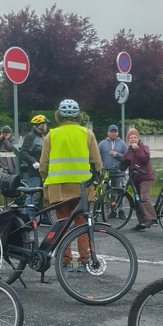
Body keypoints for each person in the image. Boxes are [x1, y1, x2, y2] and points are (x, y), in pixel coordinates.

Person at [38, 99, 101, 271]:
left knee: (63, 225)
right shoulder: (88, 134)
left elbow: (43, 165)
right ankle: (83, 261)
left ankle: (65, 261)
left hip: (58, 187)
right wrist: (96, 178)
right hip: (82, 188)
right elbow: (97, 163)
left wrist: (46, 180)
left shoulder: (51, 135)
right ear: (78, 115)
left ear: (58, 116)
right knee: (82, 225)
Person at [120, 129, 157, 230]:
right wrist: (122, 164)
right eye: (131, 138)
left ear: (138, 138)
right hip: (135, 178)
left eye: (134, 137)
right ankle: (142, 222)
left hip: (145, 177)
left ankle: (152, 218)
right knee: (137, 201)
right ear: (128, 140)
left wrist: (136, 149)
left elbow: (145, 158)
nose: (133, 139)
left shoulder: (144, 147)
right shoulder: (128, 151)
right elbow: (122, 166)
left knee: (144, 197)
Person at [20, 114, 48, 219]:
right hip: (35, 171)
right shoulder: (30, 137)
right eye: (45, 124)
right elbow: (23, 153)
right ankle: (27, 218)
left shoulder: (42, 137)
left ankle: (44, 217)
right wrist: (33, 162)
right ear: (40, 125)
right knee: (32, 194)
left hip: (44, 171)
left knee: (45, 195)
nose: (46, 126)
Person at [98, 124, 127, 190]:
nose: (113, 133)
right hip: (106, 173)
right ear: (108, 133)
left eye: (115, 132)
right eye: (111, 132)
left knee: (118, 192)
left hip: (119, 174)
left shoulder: (122, 144)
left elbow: (127, 158)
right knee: (104, 191)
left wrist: (118, 155)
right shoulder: (102, 143)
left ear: (118, 133)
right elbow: (97, 155)